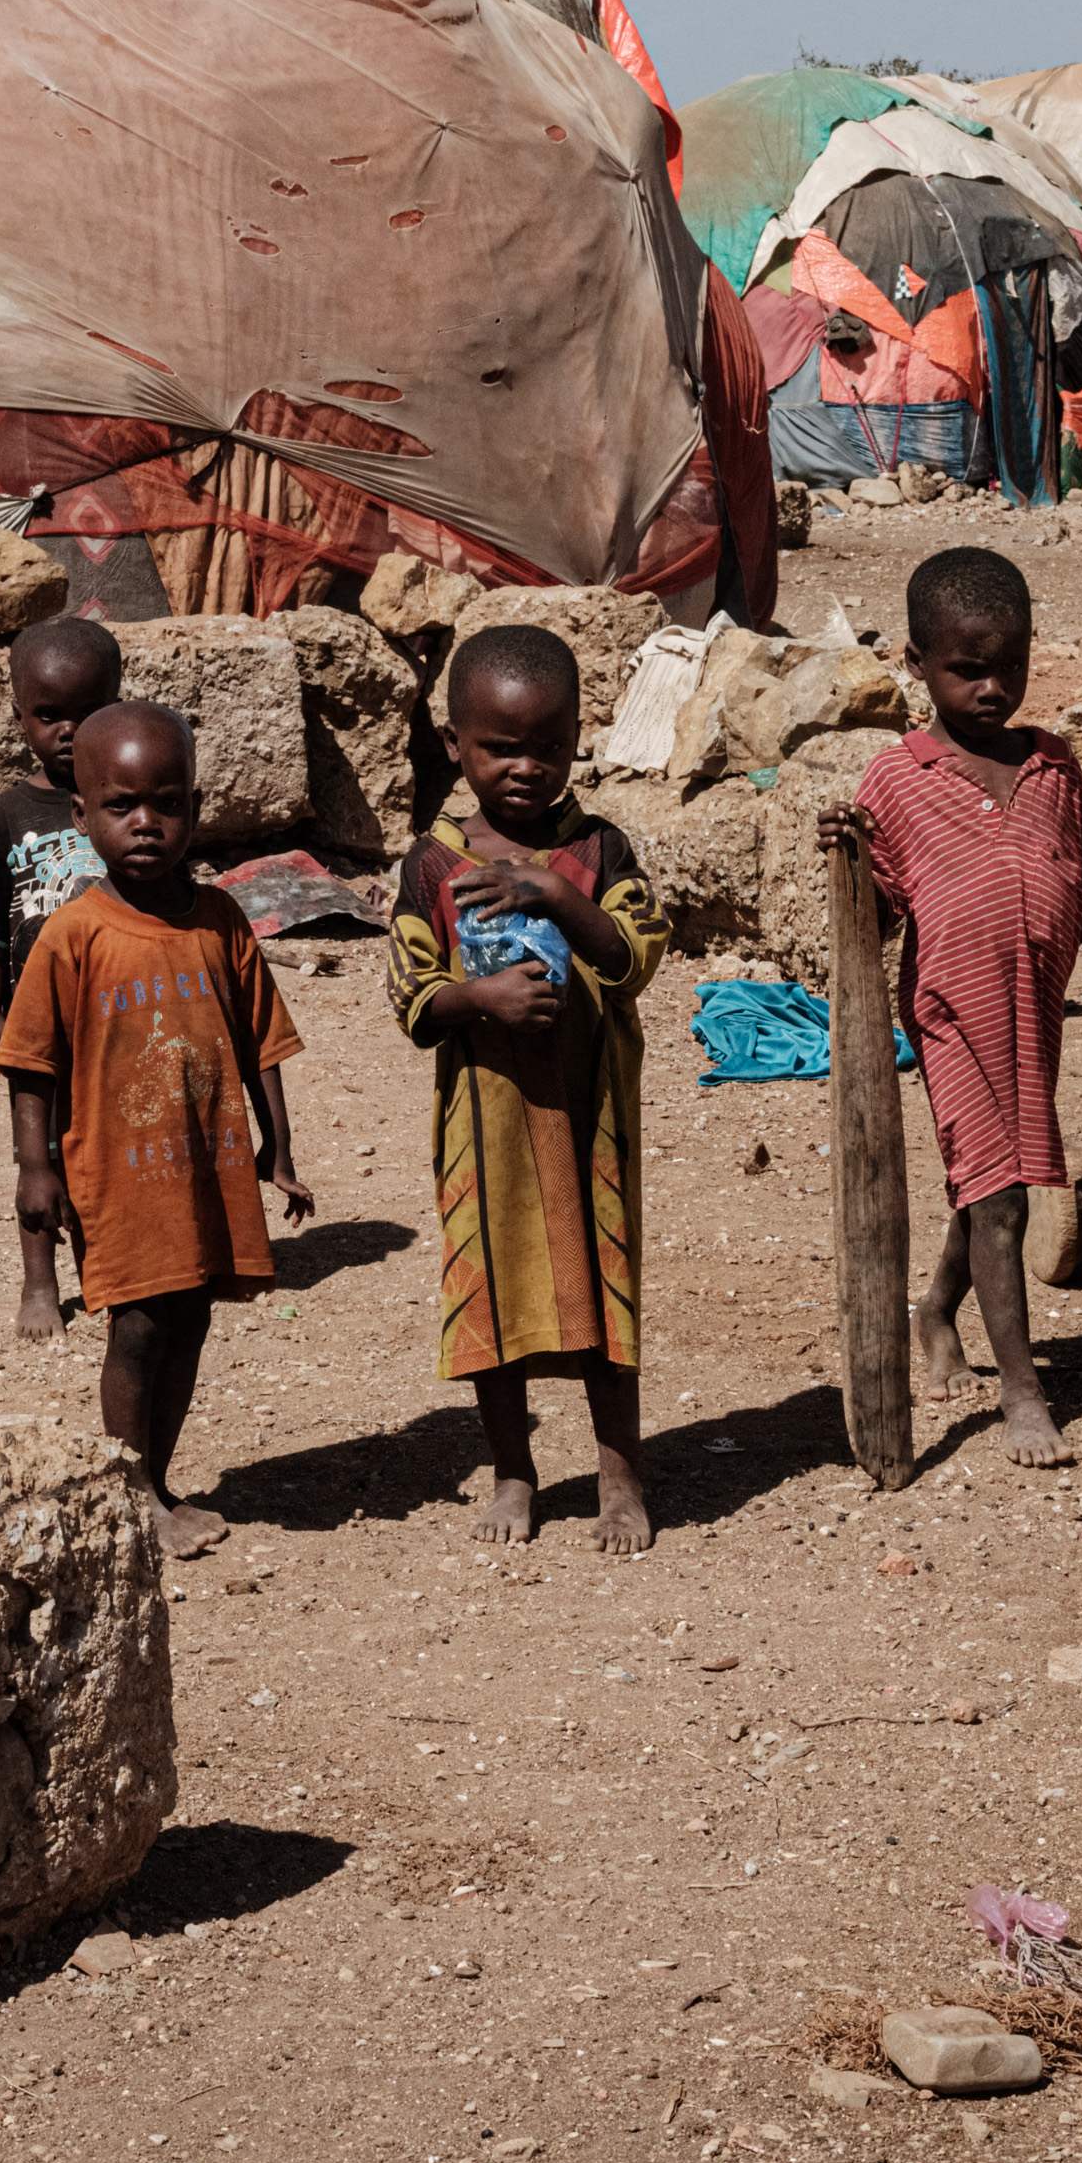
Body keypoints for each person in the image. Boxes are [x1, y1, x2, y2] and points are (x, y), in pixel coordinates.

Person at [823, 544, 1082, 1467]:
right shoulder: (896, 781)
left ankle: (935, 1315)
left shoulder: (1054, 767)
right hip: (952, 1011)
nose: (993, 688)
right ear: (917, 667)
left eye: (1011, 666)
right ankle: (1023, 1391)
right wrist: (846, 851)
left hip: (1036, 1008)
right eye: (968, 670)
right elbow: (873, 913)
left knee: (989, 1184)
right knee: (999, 1198)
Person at [0, 701, 312, 1554]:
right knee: (136, 1327)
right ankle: (129, 1489)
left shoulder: (220, 922)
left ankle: (158, 1481)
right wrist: (36, 1170)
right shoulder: (72, 937)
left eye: (166, 804)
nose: (146, 825)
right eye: (122, 806)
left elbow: (262, 1043)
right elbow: (30, 1063)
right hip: (117, 1174)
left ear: (196, 810)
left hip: (205, 1168)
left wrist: (278, 1150)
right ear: (81, 816)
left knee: (192, 1320)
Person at [393, 622, 654, 1554]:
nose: (527, 768)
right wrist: (480, 996)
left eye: (549, 745)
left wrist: (554, 895)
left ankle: (620, 1472)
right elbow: (413, 996)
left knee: (603, 1292)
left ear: (578, 736)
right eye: (501, 747)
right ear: (456, 742)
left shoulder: (596, 850)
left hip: (591, 1124)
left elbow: (633, 957)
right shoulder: (432, 866)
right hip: (488, 1129)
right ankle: (514, 1467)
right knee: (490, 1297)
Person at [0, 611, 128, 1061]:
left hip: (127, 1006)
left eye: (89, 712)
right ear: (20, 716)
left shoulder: (130, 804)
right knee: (43, 1116)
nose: (69, 731)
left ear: (116, 707)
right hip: (38, 1014)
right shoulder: (6, 817)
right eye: (49, 715)